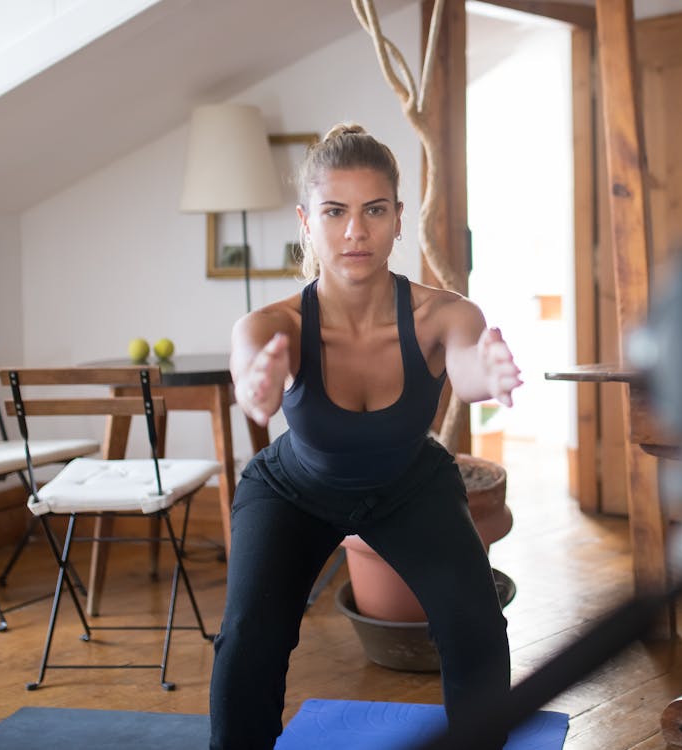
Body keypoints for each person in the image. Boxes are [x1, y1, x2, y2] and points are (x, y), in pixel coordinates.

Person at [209, 123, 522, 750]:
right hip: (293, 490)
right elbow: (254, 385)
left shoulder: (446, 313)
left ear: (399, 217)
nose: (356, 231)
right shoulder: (272, 324)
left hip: (409, 485)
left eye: (374, 210)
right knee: (249, 634)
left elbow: (465, 367)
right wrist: (258, 386)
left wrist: (484, 376)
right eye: (335, 211)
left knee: (476, 624)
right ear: (306, 220)